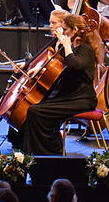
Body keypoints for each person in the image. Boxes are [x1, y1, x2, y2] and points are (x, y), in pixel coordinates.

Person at [10, 12, 101, 154]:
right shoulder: (72, 47)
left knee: (36, 111)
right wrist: (40, 67)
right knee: (34, 108)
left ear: (75, 31)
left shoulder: (86, 49)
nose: (62, 32)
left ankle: (50, 153)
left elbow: (74, 65)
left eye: (65, 29)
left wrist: (66, 45)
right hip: (69, 96)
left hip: (82, 99)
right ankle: (33, 152)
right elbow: (61, 66)